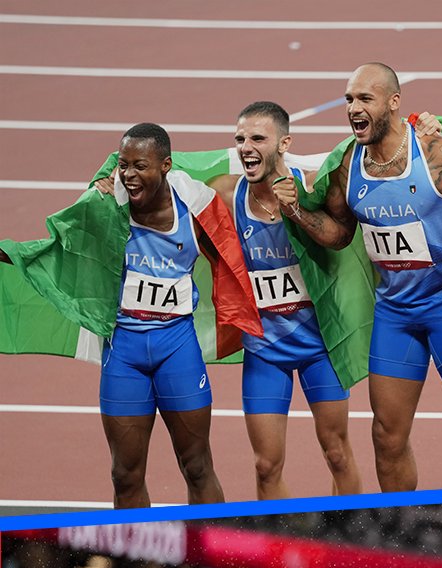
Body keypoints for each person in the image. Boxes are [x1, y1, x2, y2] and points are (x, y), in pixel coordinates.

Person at [270, 62, 442, 493]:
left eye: (364, 98)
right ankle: (400, 535)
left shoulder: (440, 153)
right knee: (386, 438)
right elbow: (338, 234)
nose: (353, 108)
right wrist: (296, 211)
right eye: (349, 99)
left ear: (393, 102)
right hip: (395, 313)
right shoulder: (348, 164)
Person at [2, 123, 260, 508]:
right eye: (123, 165)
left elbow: (234, 262)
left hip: (177, 347)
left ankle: (212, 558)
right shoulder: (106, 205)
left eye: (140, 166)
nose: (128, 175)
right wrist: (11, 254)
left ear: (166, 166)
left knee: (197, 466)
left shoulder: (195, 206)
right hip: (124, 350)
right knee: (124, 474)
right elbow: (56, 250)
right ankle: (137, 563)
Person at [205, 101, 362, 500]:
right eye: (240, 139)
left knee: (337, 453)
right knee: (265, 465)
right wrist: (111, 181)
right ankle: (281, 556)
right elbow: (164, 190)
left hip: (319, 346)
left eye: (258, 138)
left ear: (284, 143)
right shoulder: (225, 194)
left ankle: (350, 539)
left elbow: (346, 224)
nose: (246, 147)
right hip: (265, 348)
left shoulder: (311, 188)